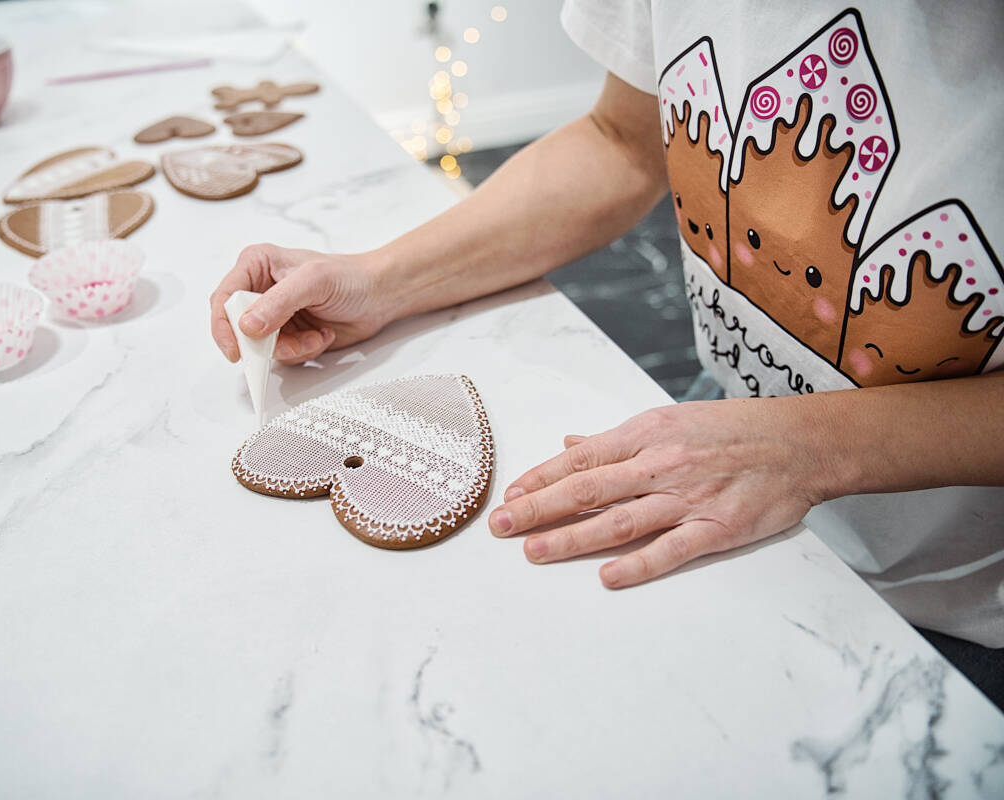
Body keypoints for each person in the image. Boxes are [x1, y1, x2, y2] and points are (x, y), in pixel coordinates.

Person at [211, 1, 1004, 651]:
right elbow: (622, 140)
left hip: (957, 600)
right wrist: (383, 280)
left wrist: (807, 448)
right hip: (723, 446)